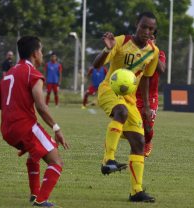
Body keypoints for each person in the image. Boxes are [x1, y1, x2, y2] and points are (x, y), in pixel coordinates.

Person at [0, 36, 69, 207]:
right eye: (41, 51)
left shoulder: (10, 72)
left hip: (7, 130)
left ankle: (34, 194)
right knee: (56, 162)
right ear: (35, 53)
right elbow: (41, 105)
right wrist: (57, 128)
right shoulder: (33, 73)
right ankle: (41, 201)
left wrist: (13, 107)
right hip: (24, 126)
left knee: (35, 155)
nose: (42, 54)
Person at [93, 12, 159, 202]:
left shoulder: (153, 52)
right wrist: (107, 49)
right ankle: (108, 159)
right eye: (143, 27)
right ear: (136, 25)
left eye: (151, 28)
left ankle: (136, 192)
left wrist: (146, 106)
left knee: (139, 142)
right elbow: (97, 65)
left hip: (130, 99)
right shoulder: (121, 41)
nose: (146, 31)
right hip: (109, 90)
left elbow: (146, 78)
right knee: (120, 112)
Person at [136, 30, 166, 157]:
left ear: (155, 40)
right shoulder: (135, 52)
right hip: (134, 95)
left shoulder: (159, 54)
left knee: (147, 128)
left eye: (152, 38)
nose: (149, 40)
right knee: (127, 121)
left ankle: (147, 142)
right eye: (147, 38)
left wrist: (153, 52)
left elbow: (162, 70)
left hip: (151, 97)